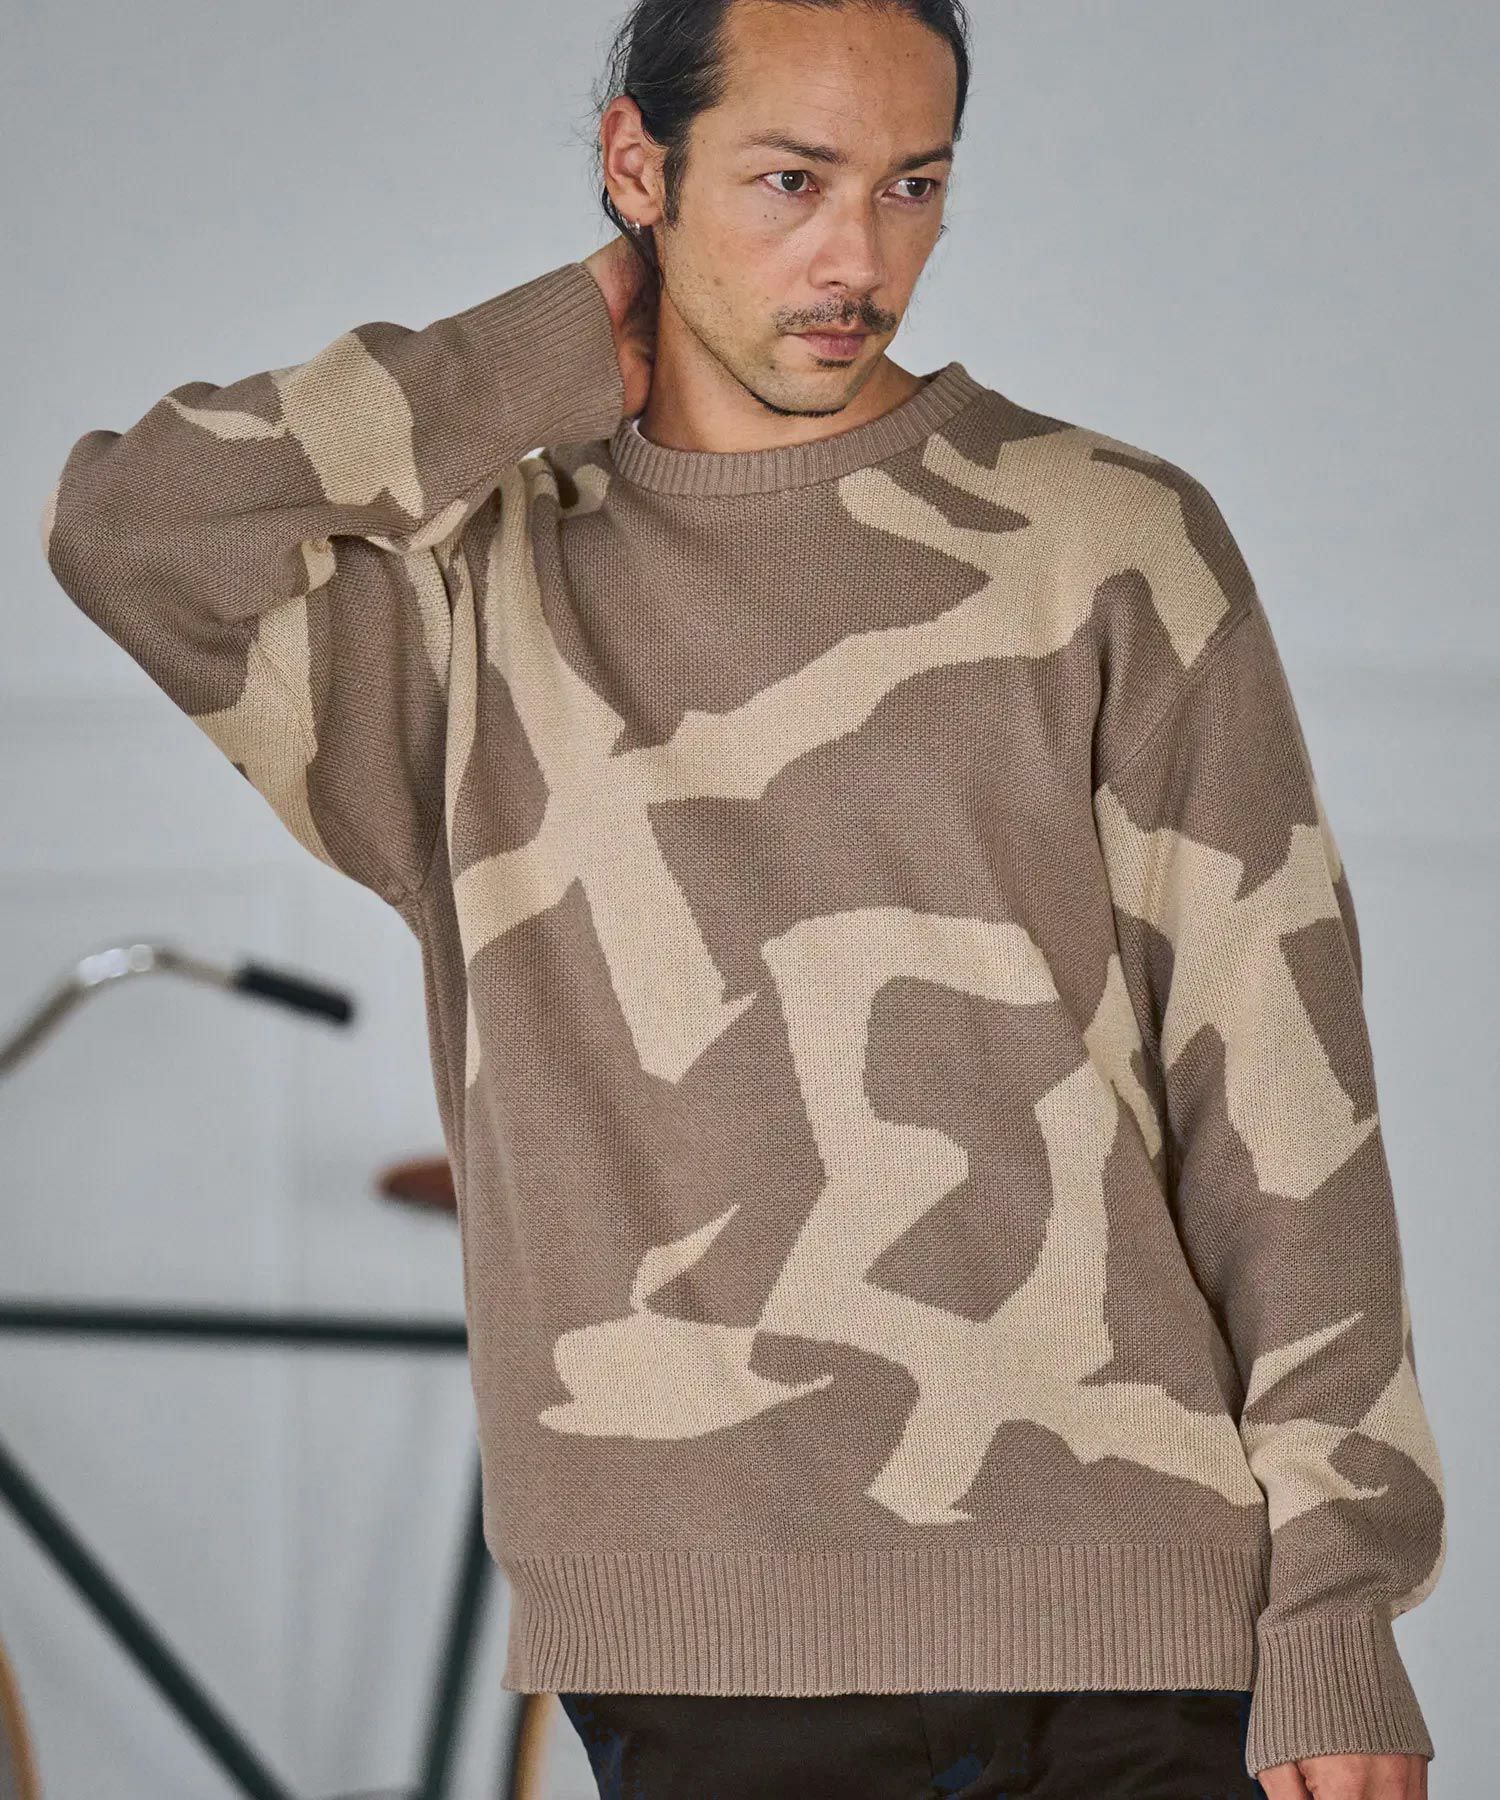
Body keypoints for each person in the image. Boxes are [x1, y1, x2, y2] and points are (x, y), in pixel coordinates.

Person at [39, 0, 1445, 1794]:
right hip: (700, 1641)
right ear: (640, 165)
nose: (859, 258)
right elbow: (136, 530)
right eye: (792, 181)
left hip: (1132, 1613)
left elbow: (1283, 1100)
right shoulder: (468, 609)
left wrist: (1338, 1617)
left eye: (912, 185)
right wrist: (552, 339)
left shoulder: (1110, 541)